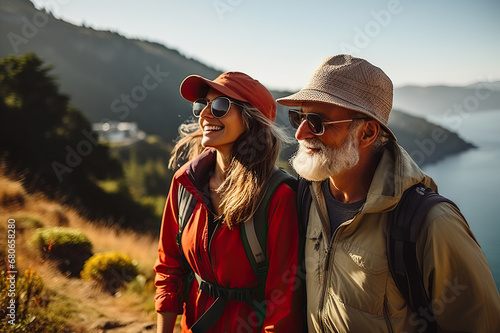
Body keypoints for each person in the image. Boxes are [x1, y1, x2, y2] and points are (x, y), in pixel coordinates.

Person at [277, 54, 500, 332]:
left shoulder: (432, 224)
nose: (299, 133)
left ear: (367, 132)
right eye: (297, 116)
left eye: (316, 122)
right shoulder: (307, 197)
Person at [154, 71, 303, 333]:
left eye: (220, 106)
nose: (204, 115)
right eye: (202, 105)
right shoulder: (185, 183)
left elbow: (283, 303)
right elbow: (169, 268)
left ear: (251, 120)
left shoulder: (278, 197)